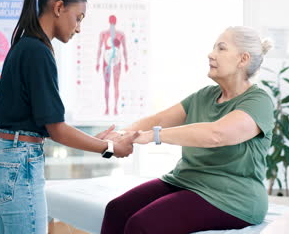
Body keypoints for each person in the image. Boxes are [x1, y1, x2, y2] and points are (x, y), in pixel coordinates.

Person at [0, 0, 137, 234]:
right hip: (19, 167)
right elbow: (56, 128)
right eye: (78, 18)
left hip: (5, 160)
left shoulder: (25, 45)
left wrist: (92, 140)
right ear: (58, 8)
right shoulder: (37, 51)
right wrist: (109, 147)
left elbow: (41, 126)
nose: (78, 28)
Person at [100, 26, 274, 234]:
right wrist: (118, 137)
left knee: (142, 226)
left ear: (243, 59)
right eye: (213, 48)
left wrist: (153, 136)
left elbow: (216, 134)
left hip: (233, 197)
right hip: (186, 181)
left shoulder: (258, 101)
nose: (211, 54)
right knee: (116, 210)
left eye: (221, 49)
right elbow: (160, 119)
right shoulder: (205, 96)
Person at [96, 14, 129, 115]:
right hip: (111, 60)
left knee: (112, 85)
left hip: (113, 61)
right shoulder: (113, 34)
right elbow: (100, 49)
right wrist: (126, 63)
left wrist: (97, 62)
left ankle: (112, 108)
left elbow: (100, 49)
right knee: (113, 85)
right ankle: (110, 108)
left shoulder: (110, 34)